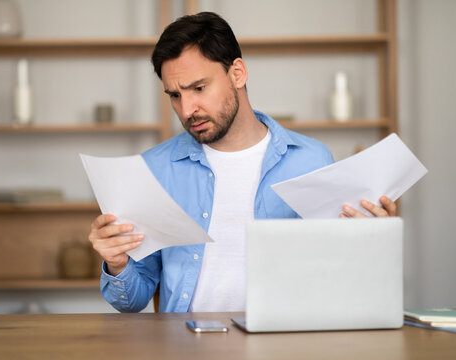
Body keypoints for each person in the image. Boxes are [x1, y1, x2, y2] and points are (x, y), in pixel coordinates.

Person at [88, 12, 397, 313]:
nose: (186, 110)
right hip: (186, 345)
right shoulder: (155, 168)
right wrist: (118, 264)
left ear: (237, 73)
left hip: (283, 343)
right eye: (175, 96)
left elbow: (335, 274)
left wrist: (369, 239)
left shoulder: (311, 159)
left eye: (199, 88)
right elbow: (133, 300)